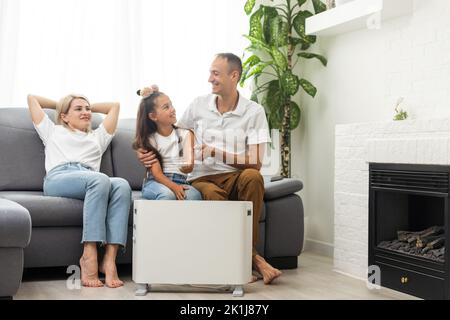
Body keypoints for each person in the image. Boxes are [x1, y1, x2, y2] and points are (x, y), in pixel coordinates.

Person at [137, 53, 282, 284]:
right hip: (203, 178)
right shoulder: (198, 105)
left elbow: (255, 161)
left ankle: (245, 256)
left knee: (254, 177)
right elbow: (170, 127)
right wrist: (152, 100)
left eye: (216, 73)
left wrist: (216, 151)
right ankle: (253, 260)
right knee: (211, 194)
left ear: (234, 76)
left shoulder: (253, 111)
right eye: (210, 72)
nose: (209, 79)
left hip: (237, 176)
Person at [27, 94, 131, 288]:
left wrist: (83, 104)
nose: (86, 112)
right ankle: (89, 255)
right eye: (79, 109)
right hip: (59, 177)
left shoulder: (97, 137)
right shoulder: (52, 130)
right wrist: (60, 104)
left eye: (87, 108)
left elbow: (114, 106)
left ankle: (109, 260)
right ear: (64, 116)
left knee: (122, 185)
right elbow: (32, 98)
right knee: (100, 180)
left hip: (91, 179)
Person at [133, 88, 202, 201]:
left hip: (181, 180)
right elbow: (157, 174)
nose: (173, 109)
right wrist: (174, 187)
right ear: (153, 116)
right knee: (167, 195)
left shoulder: (186, 134)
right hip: (155, 182)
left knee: (194, 196)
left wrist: (189, 162)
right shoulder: (149, 140)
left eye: (171, 105)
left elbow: (188, 168)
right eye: (166, 107)